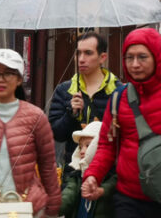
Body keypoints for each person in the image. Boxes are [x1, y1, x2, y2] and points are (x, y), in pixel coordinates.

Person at [81, 27, 161, 218]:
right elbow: (107, 147)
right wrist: (92, 175)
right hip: (129, 200)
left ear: (157, 57)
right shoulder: (118, 98)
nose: (135, 64)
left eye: (142, 57)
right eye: (129, 57)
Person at [0, 48, 61, 216]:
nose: (0, 79)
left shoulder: (36, 117)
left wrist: (53, 208)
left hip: (26, 205)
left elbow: (47, 166)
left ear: (19, 79)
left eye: (8, 73)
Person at [49, 32, 119, 180]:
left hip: (108, 172)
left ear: (102, 57)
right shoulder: (65, 90)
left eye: (88, 53)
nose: (81, 59)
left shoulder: (117, 91)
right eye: (78, 53)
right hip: (73, 171)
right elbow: (57, 134)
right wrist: (71, 113)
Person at [60, 121, 116, 218]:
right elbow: (68, 196)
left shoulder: (111, 175)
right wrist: (53, 207)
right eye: (80, 147)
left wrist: (101, 191)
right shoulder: (77, 175)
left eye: (88, 145)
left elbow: (112, 188)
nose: (82, 151)